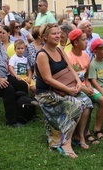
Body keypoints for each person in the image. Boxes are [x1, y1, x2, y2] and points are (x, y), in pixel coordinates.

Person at [34, 23, 82, 159]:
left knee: (86, 101)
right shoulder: (42, 54)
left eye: (59, 33)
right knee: (76, 105)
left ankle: (80, 136)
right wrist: (68, 90)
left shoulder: (60, 50)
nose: (58, 36)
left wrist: (78, 81)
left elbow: (70, 67)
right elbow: (48, 79)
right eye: (54, 33)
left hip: (61, 89)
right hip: (46, 94)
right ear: (45, 37)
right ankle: (66, 143)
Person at [66, 29, 99, 147]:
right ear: (75, 43)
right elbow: (69, 79)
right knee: (87, 103)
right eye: (84, 40)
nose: (87, 42)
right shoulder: (69, 57)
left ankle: (88, 131)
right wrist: (84, 89)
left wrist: (88, 86)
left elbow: (86, 75)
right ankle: (81, 134)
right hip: (73, 88)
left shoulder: (85, 55)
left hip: (84, 86)